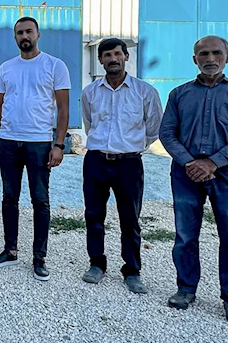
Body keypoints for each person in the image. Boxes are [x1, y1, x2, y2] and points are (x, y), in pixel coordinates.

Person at [160, 35, 228, 327]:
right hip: (186, 173)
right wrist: (190, 162)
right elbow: (167, 133)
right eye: (203, 54)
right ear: (195, 59)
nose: (210, 59)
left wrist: (213, 162)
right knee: (185, 235)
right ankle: (186, 288)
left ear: (227, 58)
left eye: (216, 53)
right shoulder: (179, 94)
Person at [0, 17, 70, 281]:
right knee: (9, 198)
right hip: (9, 141)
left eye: (29, 31)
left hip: (39, 143)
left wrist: (58, 144)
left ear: (38, 35)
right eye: (20, 32)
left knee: (40, 200)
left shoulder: (54, 65)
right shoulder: (6, 68)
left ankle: (39, 257)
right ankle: (10, 250)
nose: (25, 36)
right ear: (15, 37)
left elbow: (63, 109)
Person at [79, 38, 163, 293]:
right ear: (100, 60)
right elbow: (89, 124)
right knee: (94, 216)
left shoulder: (145, 92)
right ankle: (97, 264)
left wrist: (131, 147)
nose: (113, 59)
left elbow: (153, 129)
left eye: (117, 54)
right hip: (96, 161)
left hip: (129, 164)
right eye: (107, 55)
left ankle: (132, 270)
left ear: (126, 57)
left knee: (130, 219)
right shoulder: (90, 92)